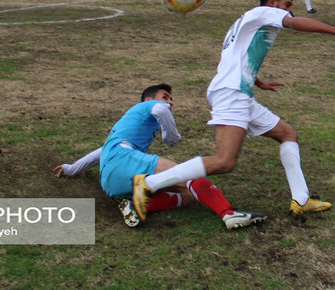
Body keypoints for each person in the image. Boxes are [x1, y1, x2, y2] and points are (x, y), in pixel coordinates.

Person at [132, 0, 335, 222]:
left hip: (236, 90)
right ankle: (149, 183)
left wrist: (258, 81)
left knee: (288, 134)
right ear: (273, 3)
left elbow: (237, 57)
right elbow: (295, 24)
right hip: (232, 92)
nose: (289, 12)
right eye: (287, 5)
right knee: (224, 161)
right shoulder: (264, 12)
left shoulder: (249, 21)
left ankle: (301, 200)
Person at [54, 84, 266, 230]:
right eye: (166, 97)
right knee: (191, 176)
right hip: (124, 161)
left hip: (110, 181)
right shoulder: (147, 106)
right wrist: (171, 136)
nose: (170, 103)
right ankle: (229, 214)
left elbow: (101, 152)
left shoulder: (126, 127)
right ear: (148, 99)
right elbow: (161, 110)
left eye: (171, 99)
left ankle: (138, 205)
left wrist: (72, 169)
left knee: (192, 194)